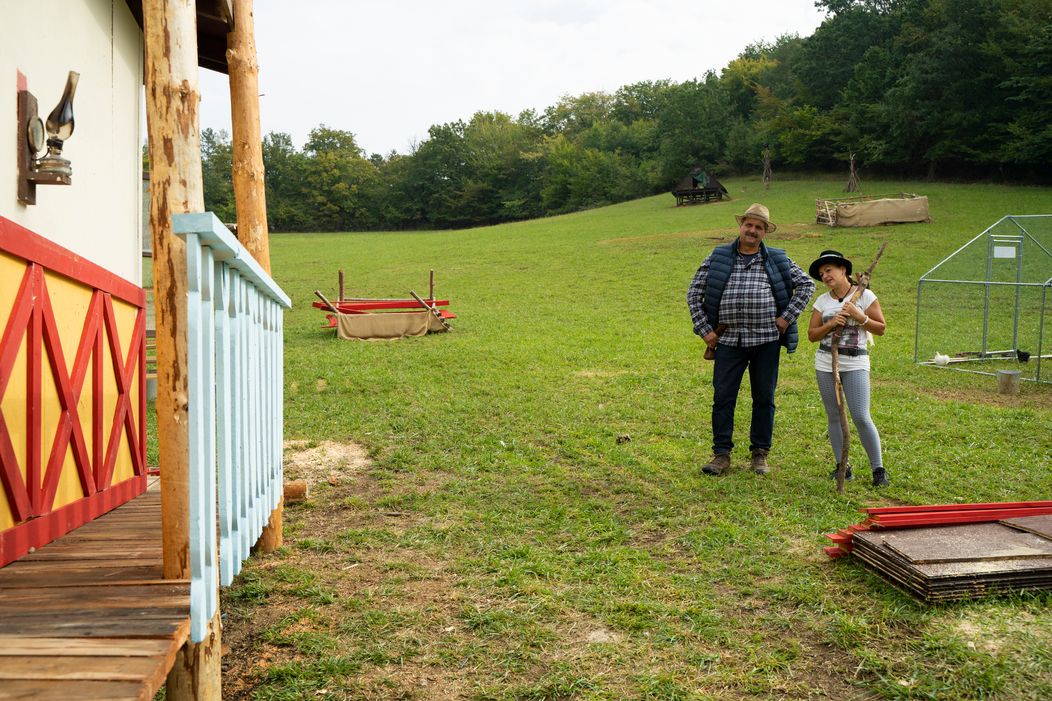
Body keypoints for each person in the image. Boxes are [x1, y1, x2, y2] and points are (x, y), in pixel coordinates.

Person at [687, 203, 815, 476]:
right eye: (749, 225)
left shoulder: (777, 258)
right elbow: (694, 293)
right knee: (723, 397)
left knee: (764, 397)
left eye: (759, 227)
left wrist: (786, 318)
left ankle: (760, 453)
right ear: (741, 225)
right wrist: (705, 331)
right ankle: (721, 454)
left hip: (767, 341)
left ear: (765, 232)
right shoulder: (718, 256)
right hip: (728, 341)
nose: (753, 230)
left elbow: (807, 284)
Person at [806, 250, 888, 486]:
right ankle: (843, 466)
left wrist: (859, 316)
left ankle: (878, 469)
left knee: (861, 416)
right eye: (822, 274)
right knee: (834, 415)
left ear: (843, 270)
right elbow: (812, 335)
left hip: (855, 362)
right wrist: (831, 324)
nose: (825, 276)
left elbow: (881, 328)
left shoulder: (865, 296)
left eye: (829, 270)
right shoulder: (822, 301)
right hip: (826, 363)